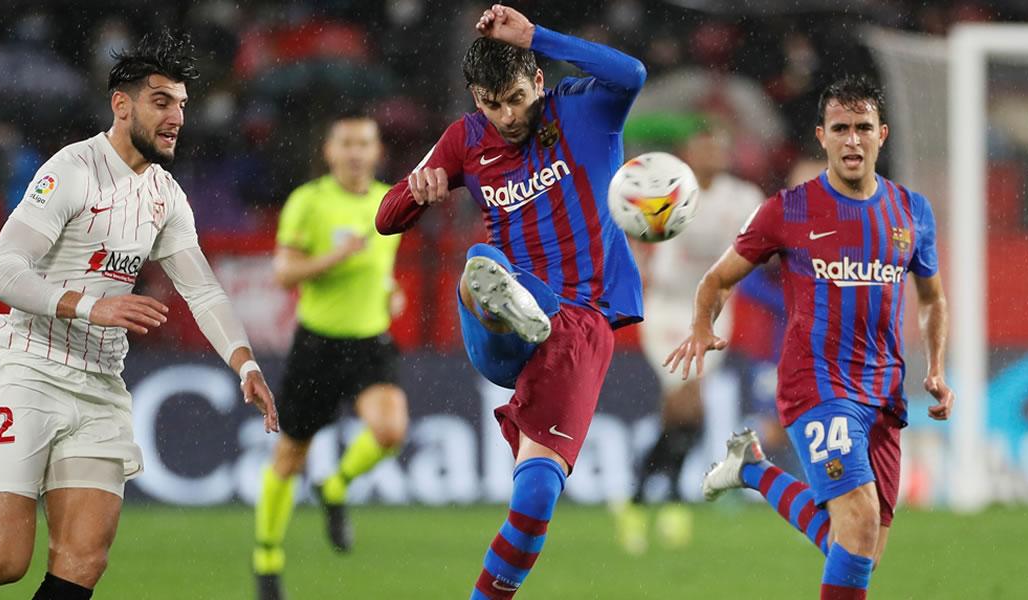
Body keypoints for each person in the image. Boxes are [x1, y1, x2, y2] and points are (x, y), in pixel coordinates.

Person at [0, 31, 277, 599]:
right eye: (161, 102)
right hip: (27, 369)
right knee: (0, 564)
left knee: (83, 560)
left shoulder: (165, 194)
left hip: (98, 386)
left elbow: (205, 291)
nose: (176, 118)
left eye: (182, 105)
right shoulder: (72, 170)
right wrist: (95, 306)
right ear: (122, 104)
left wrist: (245, 365)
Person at [377, 5, 645, 598]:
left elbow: (631, 73)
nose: (507, 116)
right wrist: (417, 194)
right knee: (485, 265)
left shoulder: (583, 109)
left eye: (517, 98)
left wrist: (536, 36)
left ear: (539, 82)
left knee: (535, 500)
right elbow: (385, 217)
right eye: (492, 104)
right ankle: (506, 296)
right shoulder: (465, 138)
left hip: (581, 323)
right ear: (476, 98)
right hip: (499, 333)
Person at [667, 75, 954, 599]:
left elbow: (933, 299)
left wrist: (935, 366)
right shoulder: (788, 209)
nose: (852, 140)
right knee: (859, 526)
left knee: (859, 549)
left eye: (862, 128)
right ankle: (753, 469)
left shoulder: (912, 211)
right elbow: (718, 278)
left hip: (884, 393)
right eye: (839, 128)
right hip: (817, 386)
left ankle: (754, 470)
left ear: (882, 135)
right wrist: (702, 326)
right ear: (821, 136)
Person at [253, 113, 408, 600]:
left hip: (370, 343)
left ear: (377, 151)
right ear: (330, 151)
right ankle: (267, 557)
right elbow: (284, 273)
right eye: (347, 143)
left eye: (365, 143)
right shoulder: (310, 202)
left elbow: (381, 269)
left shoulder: (390, 202)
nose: (356, 152)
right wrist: (334, 259)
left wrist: (390, 292)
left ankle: (336, 486)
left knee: (389, 430)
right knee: (290, 456)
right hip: (317, 345)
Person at [612, 120, 765, 554]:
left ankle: (640, 498)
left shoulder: (743, 198)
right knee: (688, 402)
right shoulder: (668, 187)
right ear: (687, 152)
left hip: (713, 308)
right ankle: (673, 498)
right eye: (704, 146)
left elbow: (761, 242)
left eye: (719, 145)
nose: (713, 153)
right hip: (667, 308)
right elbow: (625, 217)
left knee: (681, 414)